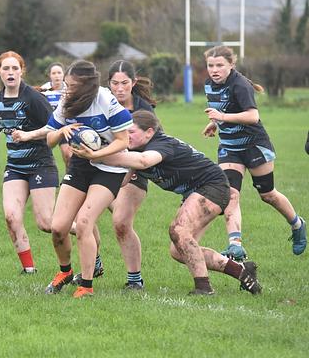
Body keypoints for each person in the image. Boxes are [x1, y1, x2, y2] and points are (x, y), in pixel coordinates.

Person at [96, 110, 262, 295]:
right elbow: (123, 181)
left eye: (131, 132)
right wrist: (100, 160)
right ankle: (241, 270)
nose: (127, 136)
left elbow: (144, 161)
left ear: (149, 132)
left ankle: (204, 288)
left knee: (179, 230)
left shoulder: (161, 144)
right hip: (196, 192)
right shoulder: (134, 149)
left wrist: (101, 155)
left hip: (212, 185)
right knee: (179, 251)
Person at [202, 46, 306, 258]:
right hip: (230, 148)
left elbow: (252, 116)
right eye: (210, 65)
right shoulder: (209, 84)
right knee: (231, 194)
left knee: (268, 195)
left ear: (231, 65)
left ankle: (297, 224)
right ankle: (235, 244)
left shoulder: (239, 85)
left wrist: (222, 118)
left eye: (220, 65)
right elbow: (224, 108)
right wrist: (215, 123)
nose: (214, 70)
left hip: (254, 146)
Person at [45, 60, 132, 298]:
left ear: (86, 86)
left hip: (110, 166)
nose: (67, 89)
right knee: (58, 227)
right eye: (66, 85)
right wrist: (60, 132)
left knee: (84, 222)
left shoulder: (105, 100)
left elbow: (123, 141)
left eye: (72, 86)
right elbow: (49, 140)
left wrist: (97, 154)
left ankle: (86, 285)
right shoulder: (66, 102)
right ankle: (65, 271)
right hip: (81, 164)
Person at [0, 51, 58, 274]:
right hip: (15, 167)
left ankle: (84, 230)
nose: (10, 72)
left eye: (15, 68)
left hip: (40, 165)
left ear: (21, 71)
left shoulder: (34, 99)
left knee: (46, 223)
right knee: (11, 217)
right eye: (6, 68)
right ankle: (29, 270)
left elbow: (54, 128)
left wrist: (28, 135)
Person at [105, 59, 156, 290]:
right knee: (78, 215)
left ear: (133, 83)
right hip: (102, 166)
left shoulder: (143, 110)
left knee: (121, 222)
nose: (119, 88)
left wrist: (130, 168)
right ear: (108, 84)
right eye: (115, 83)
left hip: (133, 168)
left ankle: (135, 280)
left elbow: (154, 144)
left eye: (124, 83)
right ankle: (93, 264)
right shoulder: (102, 102)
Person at [38, 62, 71, 167]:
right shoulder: (44, 90)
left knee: (67, 154)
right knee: (44, 155)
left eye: (59, 73)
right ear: (49, 75)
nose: (57, 76)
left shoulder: (69, 89)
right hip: (48, 126)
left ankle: (68, 174)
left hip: (64, 125)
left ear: (64, 74)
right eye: (54, 73)